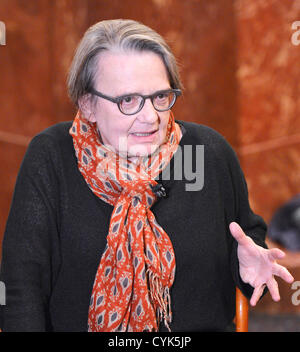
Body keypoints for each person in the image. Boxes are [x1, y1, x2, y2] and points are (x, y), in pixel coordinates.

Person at [0, 19, 294, 332]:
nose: (150, 117)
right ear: (88, 105)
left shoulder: (209, 153)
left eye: (160, 97)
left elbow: (247, 237)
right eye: (128, 100)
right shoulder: (52, 157)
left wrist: (246, 267)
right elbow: (21, 288)